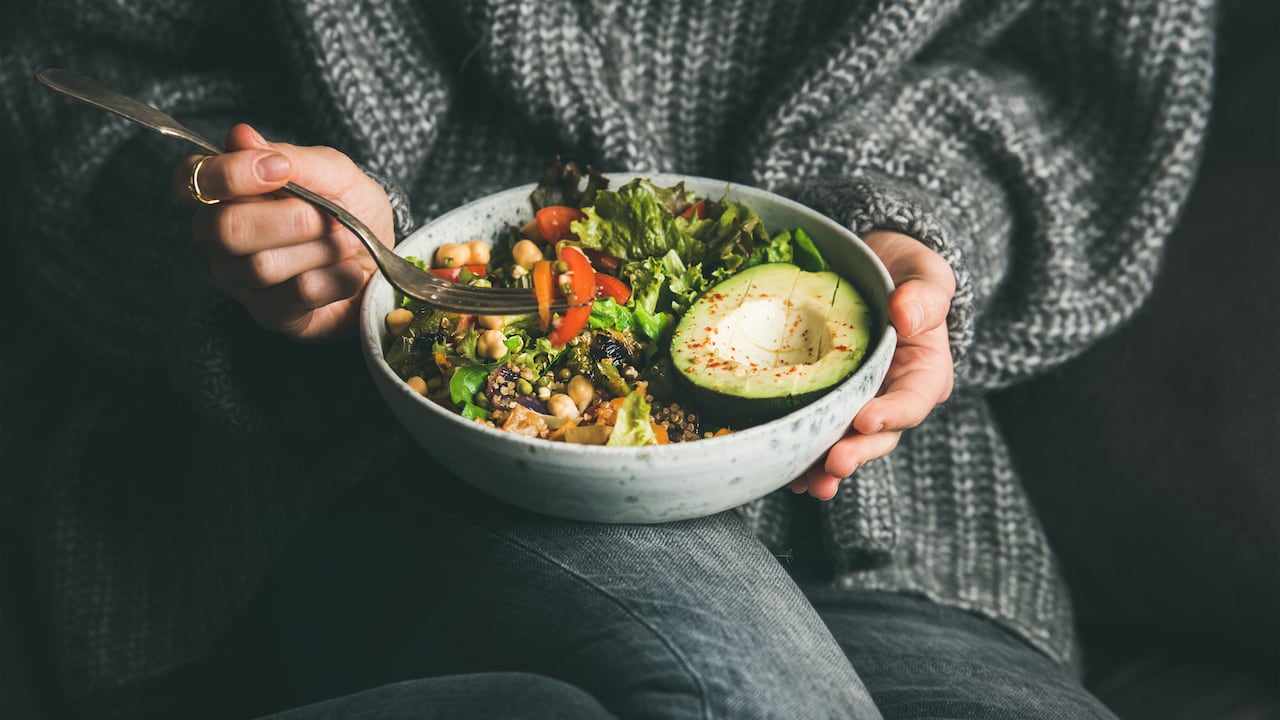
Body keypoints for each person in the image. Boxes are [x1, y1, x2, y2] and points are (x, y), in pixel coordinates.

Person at [0, 0, 1216, 718]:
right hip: (322, 483)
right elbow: (78, 62)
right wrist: (239, 231)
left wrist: (892, 232)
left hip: (890, 521)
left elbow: (1081, 74)